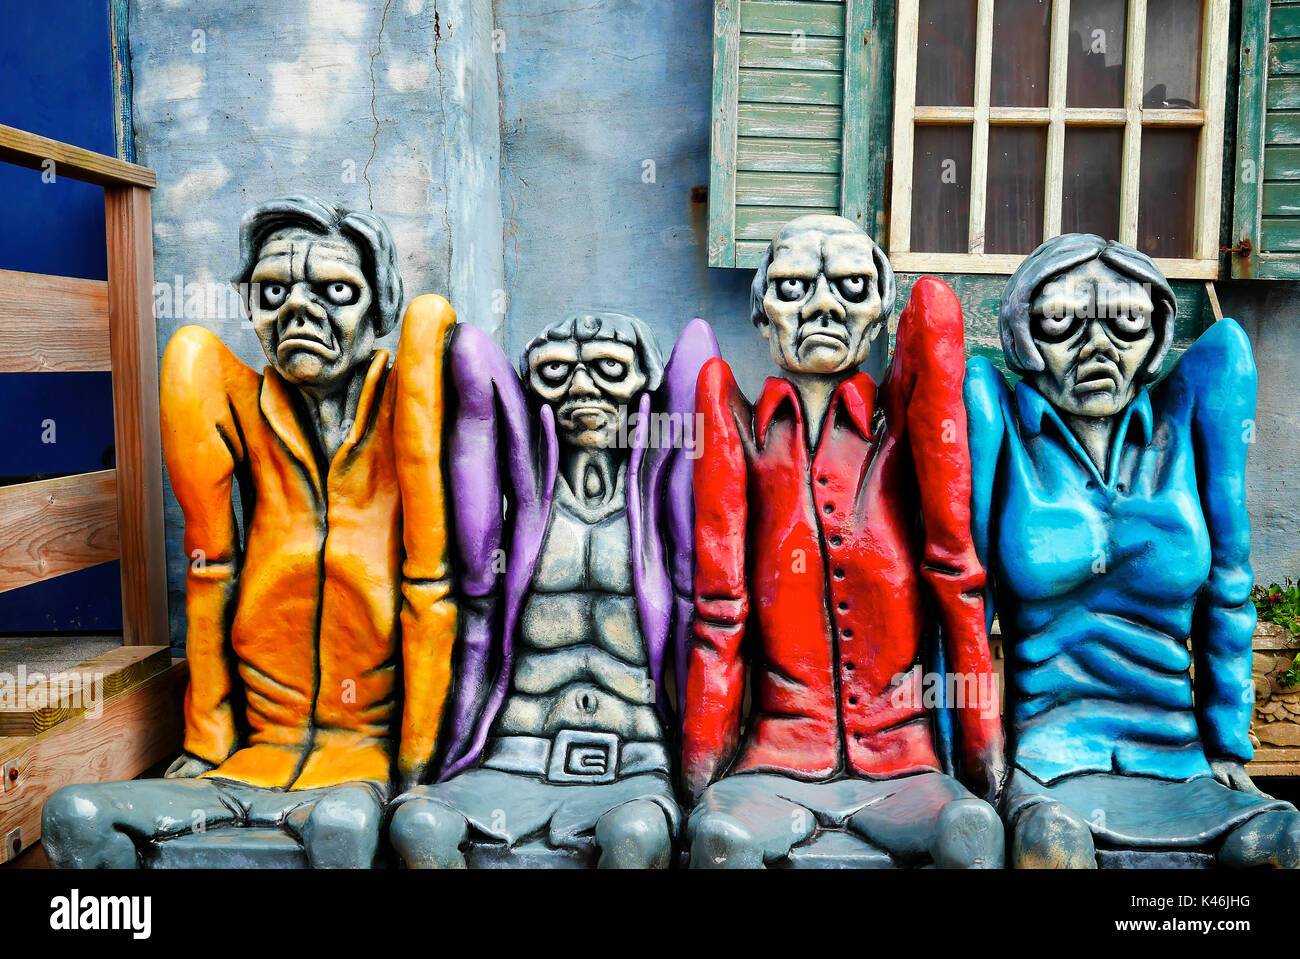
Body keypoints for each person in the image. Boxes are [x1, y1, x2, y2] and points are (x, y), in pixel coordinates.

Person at [42, 196, 457, 868]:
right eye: (271, 291)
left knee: (345, 828)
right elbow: (209, 573)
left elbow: (431, 598)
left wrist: (417, 773)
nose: (298, 310)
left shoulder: (403, 410)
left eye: (336, 292)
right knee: (73, 816)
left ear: (380, 308)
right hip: (246, 762)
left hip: (360, 766)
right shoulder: (236, 404)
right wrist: (206, 739)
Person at [966, 233, 1300, 868]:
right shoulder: (998, 421)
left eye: (1127, 322)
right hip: (1048, 759)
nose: (1098, 347)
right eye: (1064, 321)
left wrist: (1228, 746)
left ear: (1155, 337)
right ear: (1022, 332)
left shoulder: (1186, 424)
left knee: (1274, 841)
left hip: (1176, 754)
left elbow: (1230, 588)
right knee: (1053, 850)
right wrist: (976, 758)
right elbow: (965, 602)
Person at [684, 214, 1004, 869]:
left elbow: (956, 571)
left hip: (905, 761)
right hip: (775, 757)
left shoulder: (901, 425)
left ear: (880, 312)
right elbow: (720, 608)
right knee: (721, 841)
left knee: (971, 832)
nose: (824, 304)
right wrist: (698, 777)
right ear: (761, 312)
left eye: (853, 286)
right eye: (794, 286)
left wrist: (982, 749)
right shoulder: (736, 423)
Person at [388, 310, 717, 868]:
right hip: (515, 750)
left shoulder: (660, 508)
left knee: (636, 837)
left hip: (634, 758)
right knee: (418, 824)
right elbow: (472, 357)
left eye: (609, 368)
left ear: (646, 387)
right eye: (557, 371)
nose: (583, 388)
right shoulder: (524, 507)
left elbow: (695, 366)